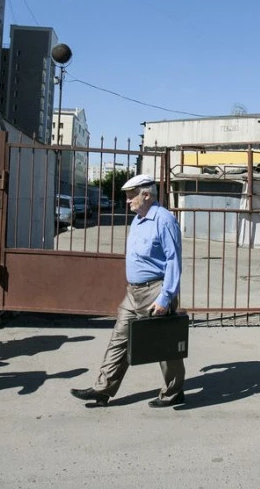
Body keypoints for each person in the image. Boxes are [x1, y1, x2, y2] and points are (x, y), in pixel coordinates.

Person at [70, 174, 186, 408]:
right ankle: (102, 390)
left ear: (147, 194)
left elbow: (174, 260)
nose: (127, 200)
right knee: (119, 340)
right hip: (133, 293)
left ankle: (174, 391)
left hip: (156, 290)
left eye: (131, 195)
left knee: (164, 346)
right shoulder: (138, 219)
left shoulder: (163, 220)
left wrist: (165, 298)